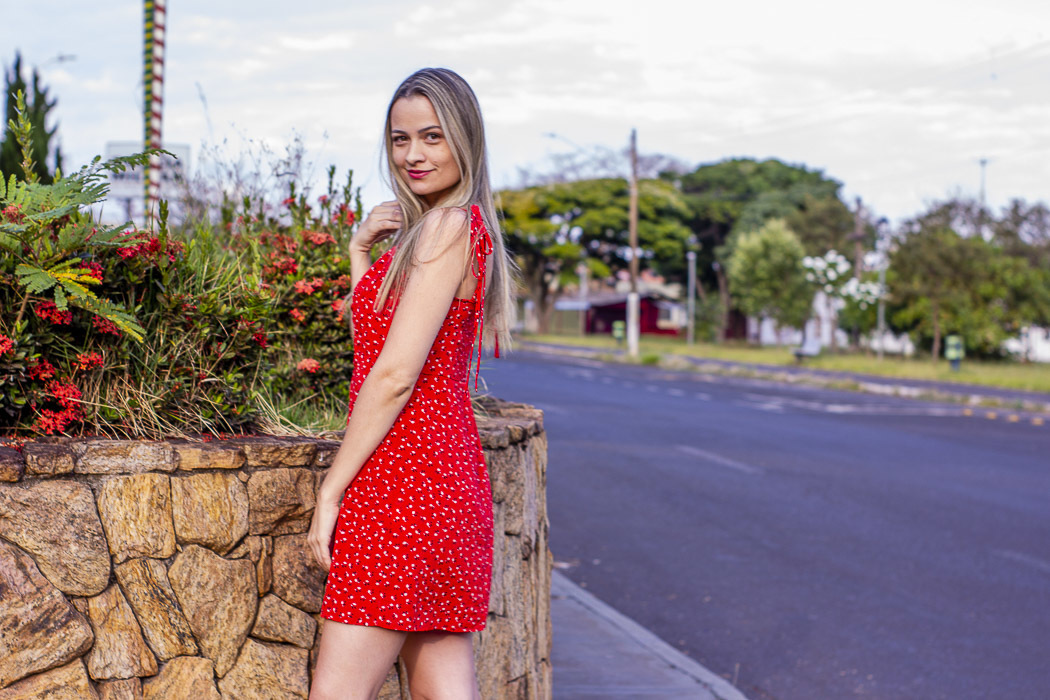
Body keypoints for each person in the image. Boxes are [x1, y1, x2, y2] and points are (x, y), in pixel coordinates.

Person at [306, 67, 519, 700]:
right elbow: (376, 345)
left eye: (432, 136)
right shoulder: (451, 229)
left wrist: (331, 489)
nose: (414, 154)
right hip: (440, 480)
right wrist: (359, 253)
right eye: (400, 140)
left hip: (405, 483)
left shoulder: (448, 227)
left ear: (465, 140)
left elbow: (394, 377)